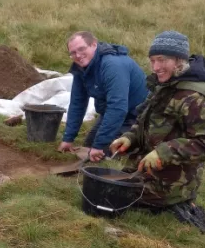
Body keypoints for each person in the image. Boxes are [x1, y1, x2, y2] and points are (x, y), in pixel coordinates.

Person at [109, 31, 205, 232]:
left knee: (112, 196)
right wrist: (129, 137)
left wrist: (164, 152)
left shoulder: (194, 98)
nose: (156, 67)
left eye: (162, 60)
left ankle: (178, 205)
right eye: (152, 60)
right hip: (144, 172)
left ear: (178, 60)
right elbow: (145, 122)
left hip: (171, 185)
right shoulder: (165, 87)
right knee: (106, 187)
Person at [58, 31, 149, 162]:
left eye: (82, 49)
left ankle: (142, 145)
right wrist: (68, 138)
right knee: (89, 147)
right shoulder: (80, 68)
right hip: (111, 113)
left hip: (137, 116)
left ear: (94, 45)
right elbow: (77, 103)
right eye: (72, 53)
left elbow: (118, 107)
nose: (78, 55)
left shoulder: (112, 65)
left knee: (103, 155)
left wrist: (100, 145)